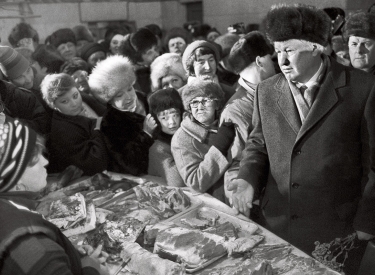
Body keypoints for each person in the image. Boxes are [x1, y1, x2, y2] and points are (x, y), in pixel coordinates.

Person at [228, 4, 375, 274]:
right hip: (279, 224)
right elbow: (258, 145)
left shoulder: (362, 88)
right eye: (278, 51)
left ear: (317, 48)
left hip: (336, 228)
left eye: (290, 51)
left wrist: (367, 221)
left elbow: (374, 162)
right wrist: (246, 178)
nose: (281, 61)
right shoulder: (267, 91)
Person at [0, 120, 107, 275]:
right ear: (14, 180)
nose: (46, 162)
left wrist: (70, 255)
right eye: (34, 161)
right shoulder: (29, 243)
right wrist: (92, 269)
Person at [221, 31, 276, 203]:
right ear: (260, 61)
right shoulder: (237, 108)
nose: (278, 64)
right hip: (259, 196)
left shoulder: (267, 91)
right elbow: (239, 161)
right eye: (271, 59)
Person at [89, 55, 157, 176]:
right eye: (119, 95)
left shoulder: (144, 98)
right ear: (109, 99)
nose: (129, 96)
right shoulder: (110, 122)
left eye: (130, 89)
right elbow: (130, 165)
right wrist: (146, 135)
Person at [172, 79, 235, 202]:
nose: (200, 107)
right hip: (216, 204)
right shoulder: (182, 139)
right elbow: (195, 183)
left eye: (205, 100)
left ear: (217, 104)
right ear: (189, 107)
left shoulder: (227, 122)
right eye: (194, 102)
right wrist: (218, 149)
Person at [41, 73, 108, 175]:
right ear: (53, 105)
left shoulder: (85, 101)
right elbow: (96, 162)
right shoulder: (63, 130)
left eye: (75, 95)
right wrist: (96, 125)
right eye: (64, 101)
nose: (74, 103)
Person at [0, 46, 49, 135]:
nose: (28, 79)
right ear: (9, 80)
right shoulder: (13, 95)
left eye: (28, 71)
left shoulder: (46, 83)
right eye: (19, 77)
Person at [147, 88, 185, 187]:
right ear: (156, 120)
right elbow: (177, 183)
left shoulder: (187, 136)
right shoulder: (159, 149)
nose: (172, 122)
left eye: (175, 115)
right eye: (164, 118)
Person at [120, 27, 160, 96]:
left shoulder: (159, 67)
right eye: (149, 53)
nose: (156, 54)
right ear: (137, 57)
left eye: (155, 49)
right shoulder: (130, 80)